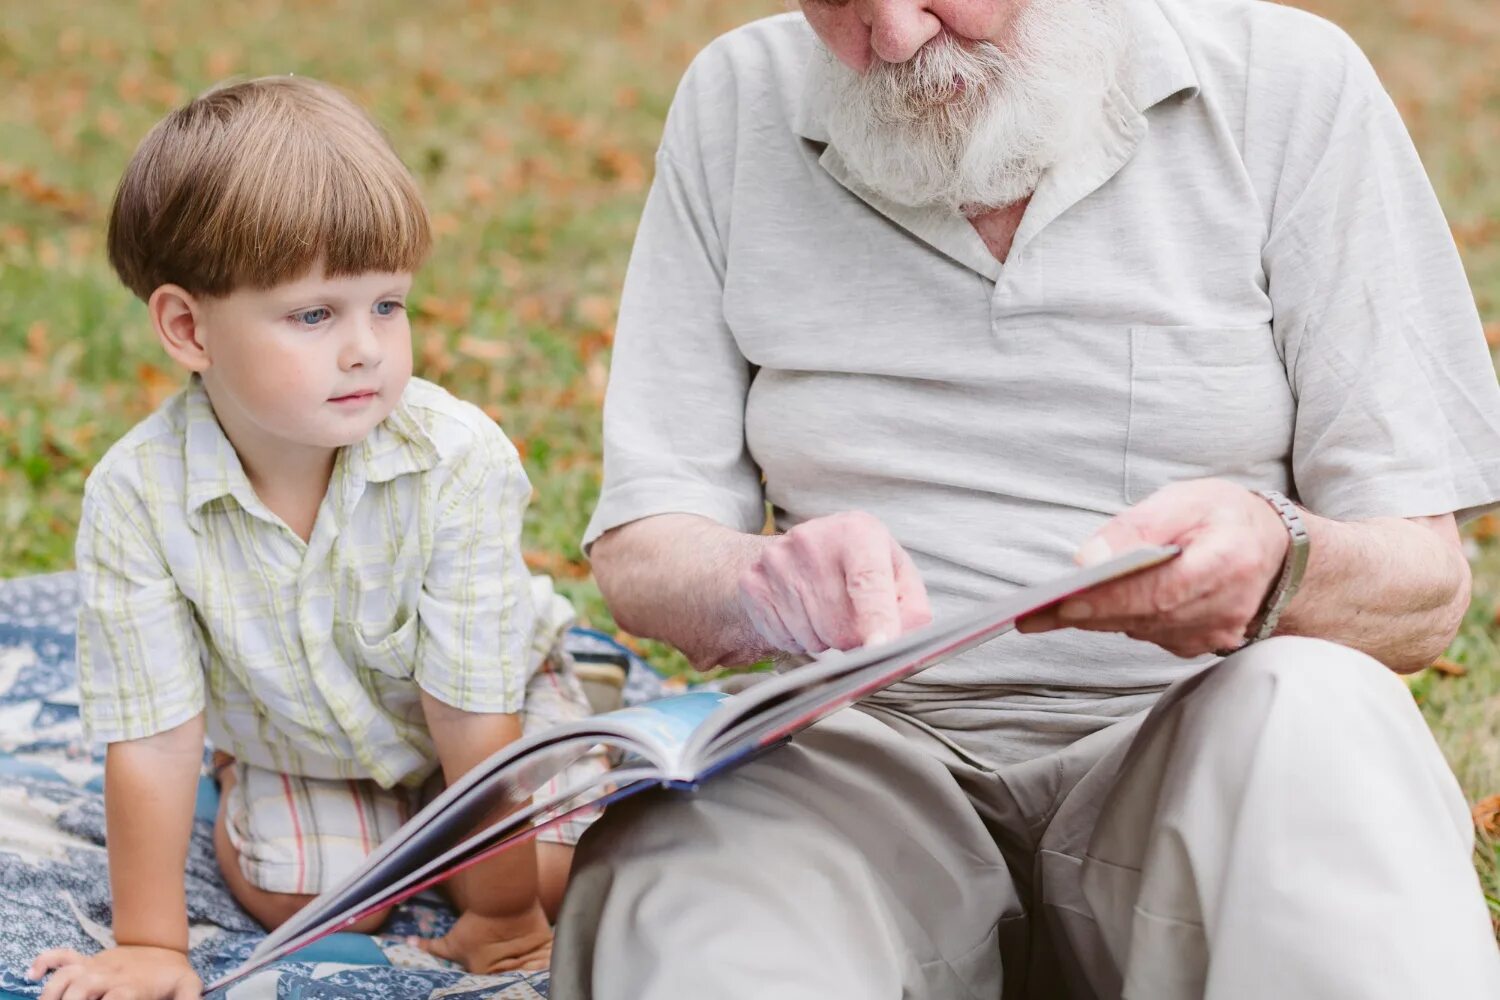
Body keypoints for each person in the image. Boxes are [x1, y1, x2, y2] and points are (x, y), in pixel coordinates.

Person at [552, 0, 1500, 996]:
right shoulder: (738, 95)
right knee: (686, 868)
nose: (894, 39)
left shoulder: (1287, 81)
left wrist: (1278, 557)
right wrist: (757, 585)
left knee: (1324, 710)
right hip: (856, 761)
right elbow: (647, 544)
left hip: (1200, 747)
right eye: (839, 1)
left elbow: (1424, 588)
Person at [26, 76, 606, 1000]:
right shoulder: (137, 495)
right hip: (304, 739)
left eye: (388, 305)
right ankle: (257, 785)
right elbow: (151, 737)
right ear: (188, 327)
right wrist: (150, 943)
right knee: (302, 893)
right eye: (314, 314)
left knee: (560, 867)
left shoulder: (454, 460)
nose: (366, 348)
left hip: (484, 705)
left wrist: (500, 918)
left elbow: (470, 711)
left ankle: (570, 717)